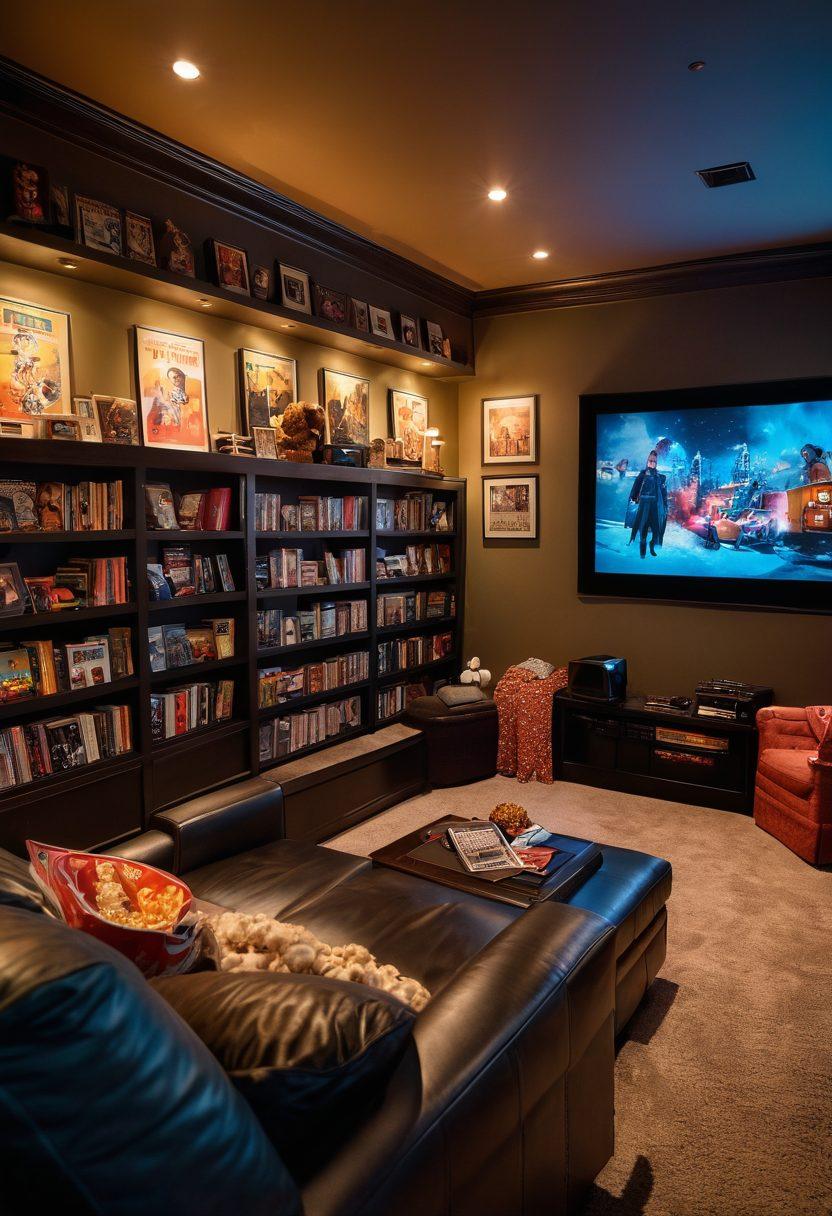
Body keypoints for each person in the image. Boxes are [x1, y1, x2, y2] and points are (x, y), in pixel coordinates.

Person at [627, 449, 668, 558]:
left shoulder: (659, 477)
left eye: (654, 461)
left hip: (654, 506)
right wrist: (634, 498)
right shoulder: (642, 475)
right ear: (647, 461)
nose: (652, 463)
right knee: (643, 529)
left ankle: (652, 545)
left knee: (656, 530)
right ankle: (642, 552)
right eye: (650, 461)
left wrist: (664, 505)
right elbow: (635, 488)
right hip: (644, 505)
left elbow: (663, 493)